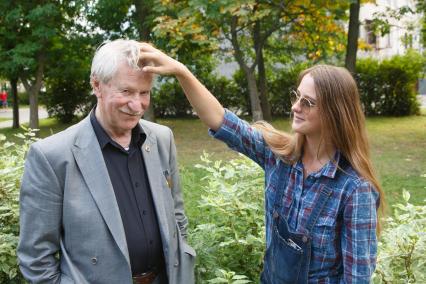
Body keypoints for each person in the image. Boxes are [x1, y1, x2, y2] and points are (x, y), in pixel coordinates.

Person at [139, 43, 385, 283]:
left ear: (335, 112)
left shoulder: (354, 189)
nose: (295, 107)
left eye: (307, 102)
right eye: (297, 96)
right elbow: (220, 121)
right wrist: (182, 72)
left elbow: (357, 277)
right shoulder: (280, 157)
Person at [18, 39, 195, 284]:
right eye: (126, 91)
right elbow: (36, 259)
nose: (137, 105)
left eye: (144, 93)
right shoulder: (52, 156)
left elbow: (177, 217)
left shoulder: (162, 139)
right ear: (97, 85)